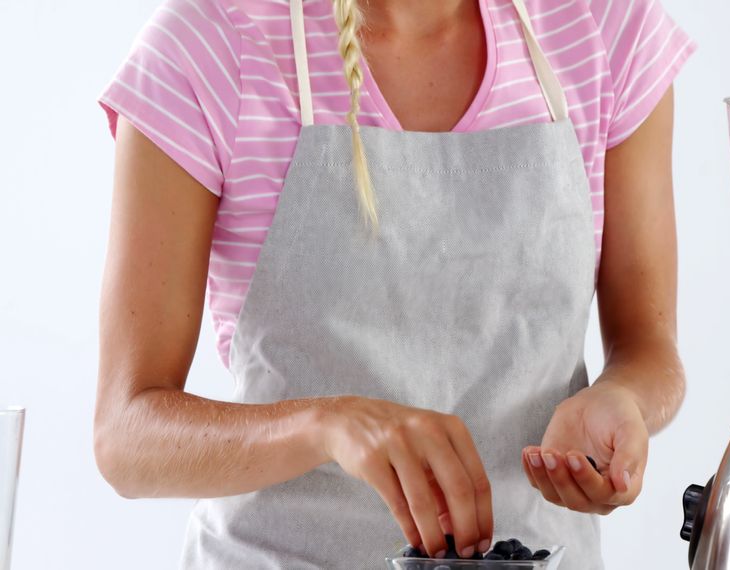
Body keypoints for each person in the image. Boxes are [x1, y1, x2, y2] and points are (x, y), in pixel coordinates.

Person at [93, 0, 695, 567]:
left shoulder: (605, 27)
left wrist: (624, 401)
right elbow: (127, 436)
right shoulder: (212, 42)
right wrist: (324, 424)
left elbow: (650, 350)